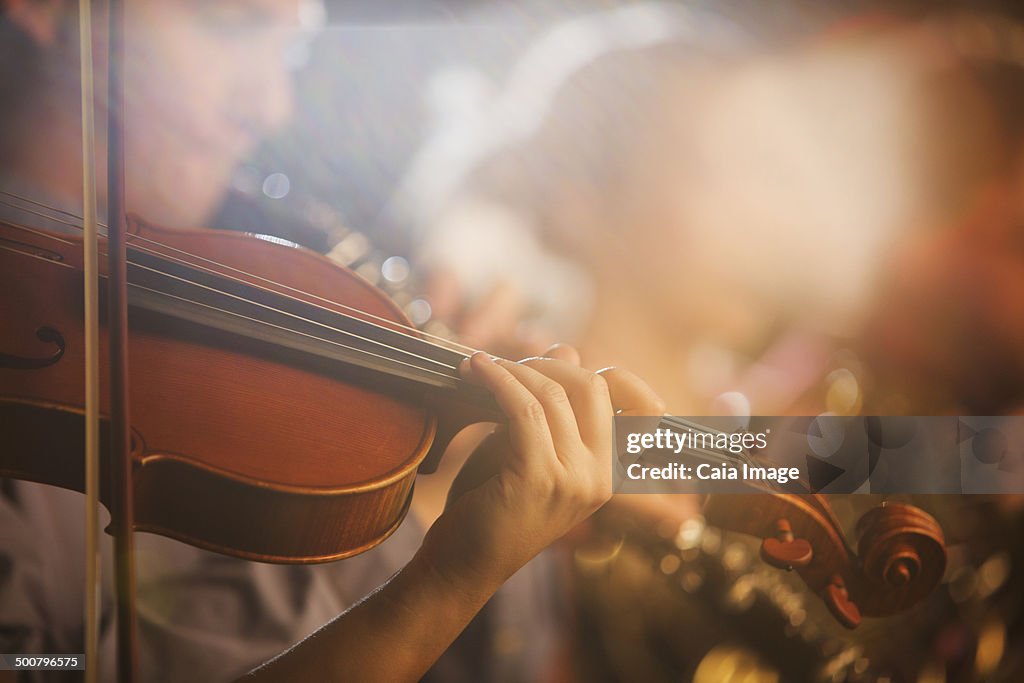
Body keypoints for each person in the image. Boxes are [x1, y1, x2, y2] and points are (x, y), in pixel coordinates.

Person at [0, 1, 668, 681]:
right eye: (230, 26)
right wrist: (436, 568)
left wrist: (496, 478)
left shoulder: (220, 294)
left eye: (288, 53)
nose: (270, 107)